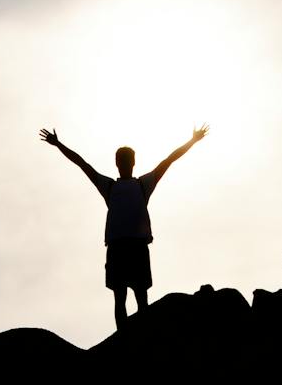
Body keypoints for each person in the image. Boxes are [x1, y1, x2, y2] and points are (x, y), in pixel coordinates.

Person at [40, 125, 209, 330]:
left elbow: (169, 160)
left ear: (131, 163)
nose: (125, 163)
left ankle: (141, 338)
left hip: (134, 247)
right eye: (123, 161)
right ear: (119, 163)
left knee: (140, 299)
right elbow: (82, 164)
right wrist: (58, 144)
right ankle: (123, 339)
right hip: (119, 248)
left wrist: (192, 141)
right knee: (121, 299)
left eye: (126, 160)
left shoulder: (142, 184)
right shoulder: (111, 187)